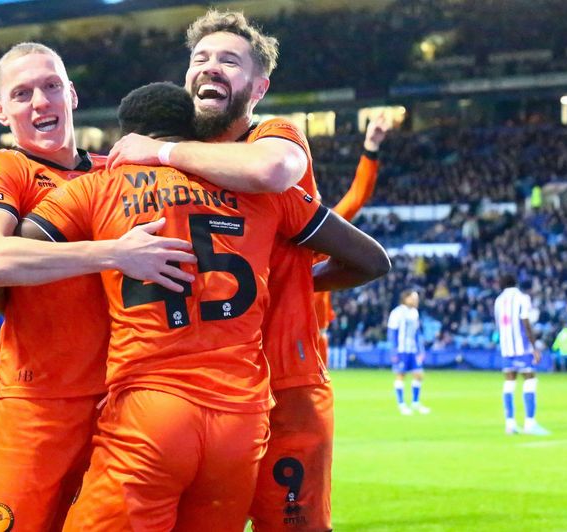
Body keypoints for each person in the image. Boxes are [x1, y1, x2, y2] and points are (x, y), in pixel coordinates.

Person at [20, 81, 389, 531]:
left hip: (152, 408)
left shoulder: (96, 188)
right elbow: (372, 260)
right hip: (241, 418)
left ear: (126, 137)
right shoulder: (262, 187)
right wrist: (284, 285)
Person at [105, 11, 353, 529]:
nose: (210, 67)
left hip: (284, 383)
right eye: (200, 59)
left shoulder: (272, 135)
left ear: (259, 86)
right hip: (205, 390)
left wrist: (159, 149)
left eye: (229, 61)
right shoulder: (179, 169)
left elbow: (270, 170)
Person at [0, 43, 197, 532]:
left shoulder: (121, 169)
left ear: (71, 93)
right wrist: (114, 253)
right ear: (1, 111)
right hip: (34, 409)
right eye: (22, 94)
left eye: (50, 86)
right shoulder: (3, 168)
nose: (40, 102)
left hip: (122, 409)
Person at [315, 116, 390, 366]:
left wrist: (370, 147)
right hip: (285, 335)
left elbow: (358, 195)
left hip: (313, 337)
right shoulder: (275, 235)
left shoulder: (320, 230)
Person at [494, 275, 549, 435]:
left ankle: (510, 423)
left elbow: (498, 325)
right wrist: (534, 347)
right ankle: (530, 423)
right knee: (530, 380)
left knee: (509, 382)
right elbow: (526, 323)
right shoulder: (522, 298)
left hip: (506, 348)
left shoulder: (498, 300)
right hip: (521, 348)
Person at [388, 290, 430, 415]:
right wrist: (394, 351)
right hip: (401, 350)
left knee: (419, 375)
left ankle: (415, 402)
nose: (416, 301)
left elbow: (417, 333)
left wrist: (420, 350)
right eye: (413, 298)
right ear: (405, 299)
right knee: (401, 375)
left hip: (413, 350)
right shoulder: (397, 313)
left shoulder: (414, 313)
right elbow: (392, 333)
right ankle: (401, 404)